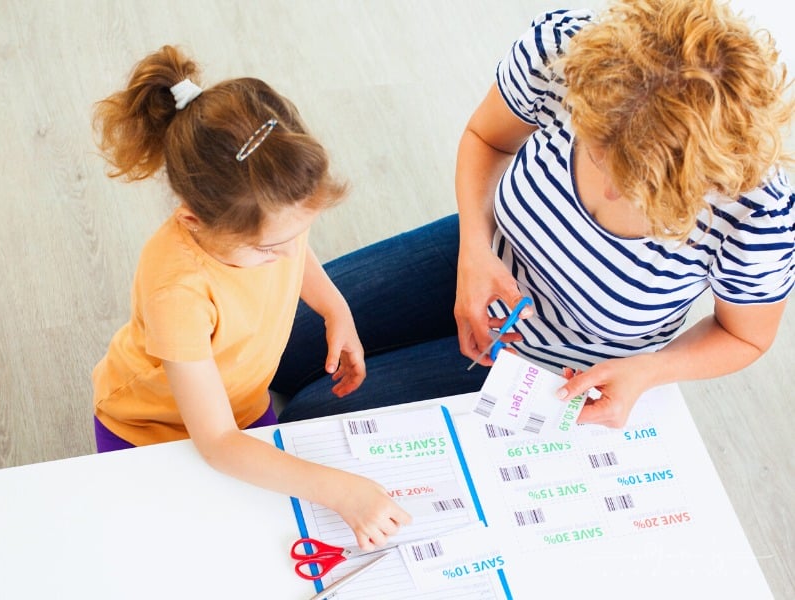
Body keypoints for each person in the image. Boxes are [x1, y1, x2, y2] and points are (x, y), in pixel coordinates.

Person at [272, 0, 794, 428]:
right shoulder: (568, 49)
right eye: (595, 152)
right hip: (488, 245)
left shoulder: (758, 212)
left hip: (561, 360)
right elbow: (485, 137)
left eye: (642, 187)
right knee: (279, 339)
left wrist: (650, 371)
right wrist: (474, 251)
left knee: (313, 415)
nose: (609, 192)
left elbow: (745, 336)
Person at [90, 45, 410, 550]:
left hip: (241, 406)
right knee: (175, 546)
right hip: (149, 428)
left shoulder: (274, 215)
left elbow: (294, 248)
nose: (288, 254)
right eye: (269, 249)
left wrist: (334, 307)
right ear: (194, 219)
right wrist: (344, 493)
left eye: (299, 232)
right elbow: (215, 443)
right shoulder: (178, 290)